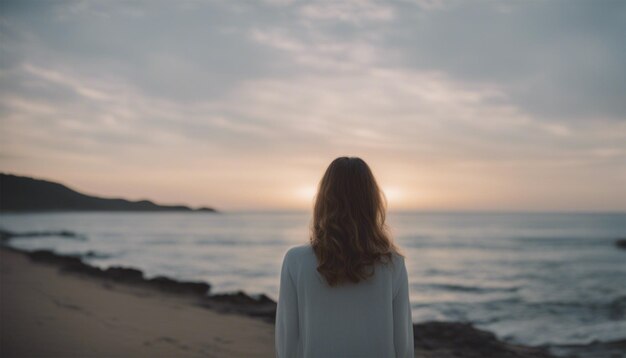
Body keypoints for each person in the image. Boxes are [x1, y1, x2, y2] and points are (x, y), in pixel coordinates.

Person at [275, 157, 414, 358]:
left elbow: (286, 344)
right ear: (371, 202)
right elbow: (404, 347)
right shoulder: (393, 264)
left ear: (323, 201)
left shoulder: (296, 261)